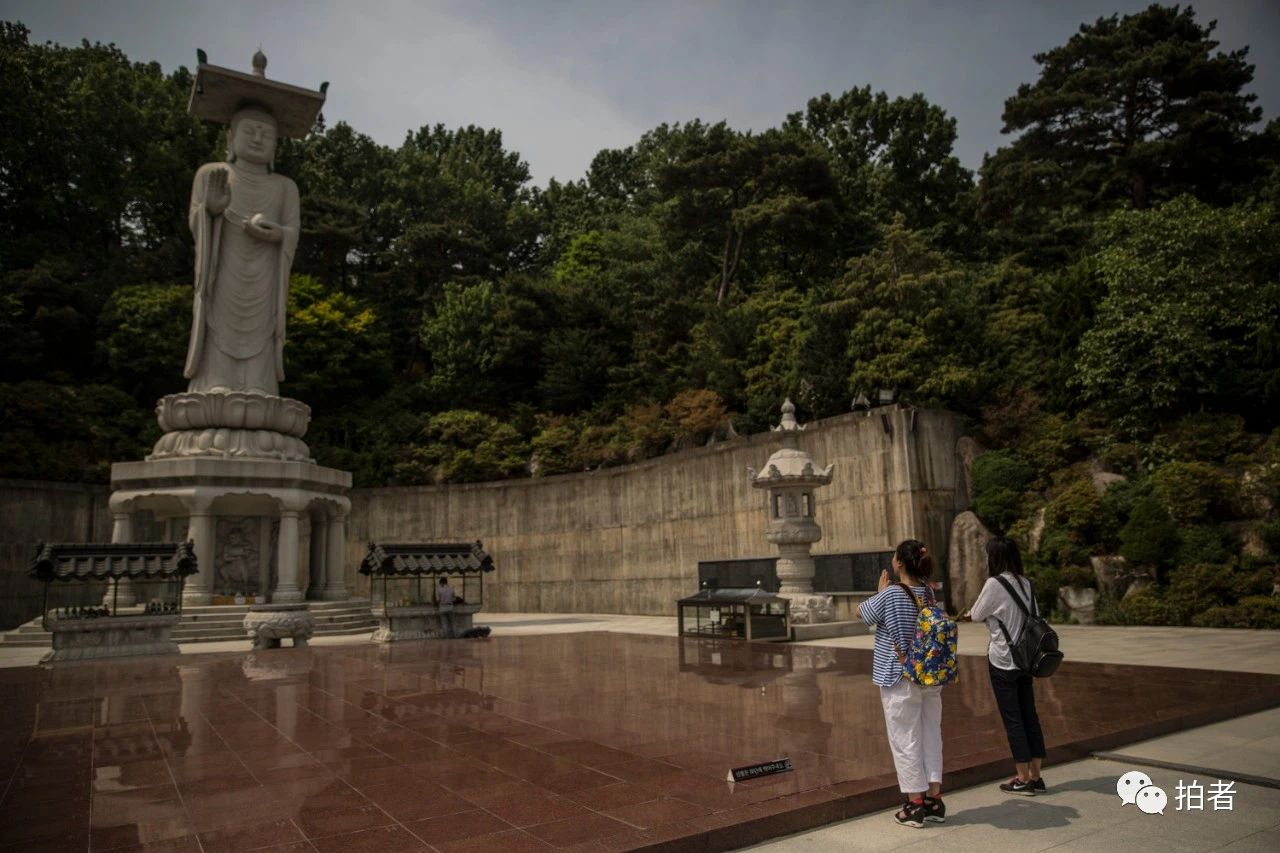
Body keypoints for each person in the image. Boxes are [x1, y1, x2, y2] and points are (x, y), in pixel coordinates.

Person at [185, 104, 300, 396]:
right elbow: (196, 222)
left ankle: (259, 384)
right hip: (224, 268)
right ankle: (215, 380)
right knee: (219, 318)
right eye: (250, 131)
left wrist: (279, 234)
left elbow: (292, 231)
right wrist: (210, 210)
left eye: (267, 135)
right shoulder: (212, 174)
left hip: (265, 274)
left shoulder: (285, 187)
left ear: (275, 147)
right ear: (230, 138)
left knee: (263, 325)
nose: (258, 139)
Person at [856, 539, 945, 828]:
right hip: (930, 675)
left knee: (905, 738)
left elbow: (861, 613)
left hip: (899, 676)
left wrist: (880, 592)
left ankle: (914, 804)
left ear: (899, 563)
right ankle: (934, 799)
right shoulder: (928, 593)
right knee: (931, 734)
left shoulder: (892, 592)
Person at [967, 536, 1047, 795]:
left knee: (1013, 719)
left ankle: (1022, 778)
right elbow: (1036, 615)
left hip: (1003, 659)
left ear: (994, 558)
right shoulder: (1026, 583)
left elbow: (976, 614)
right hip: (1026, 659)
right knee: (1030, 715)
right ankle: (1036, 776)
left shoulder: (994, 583)